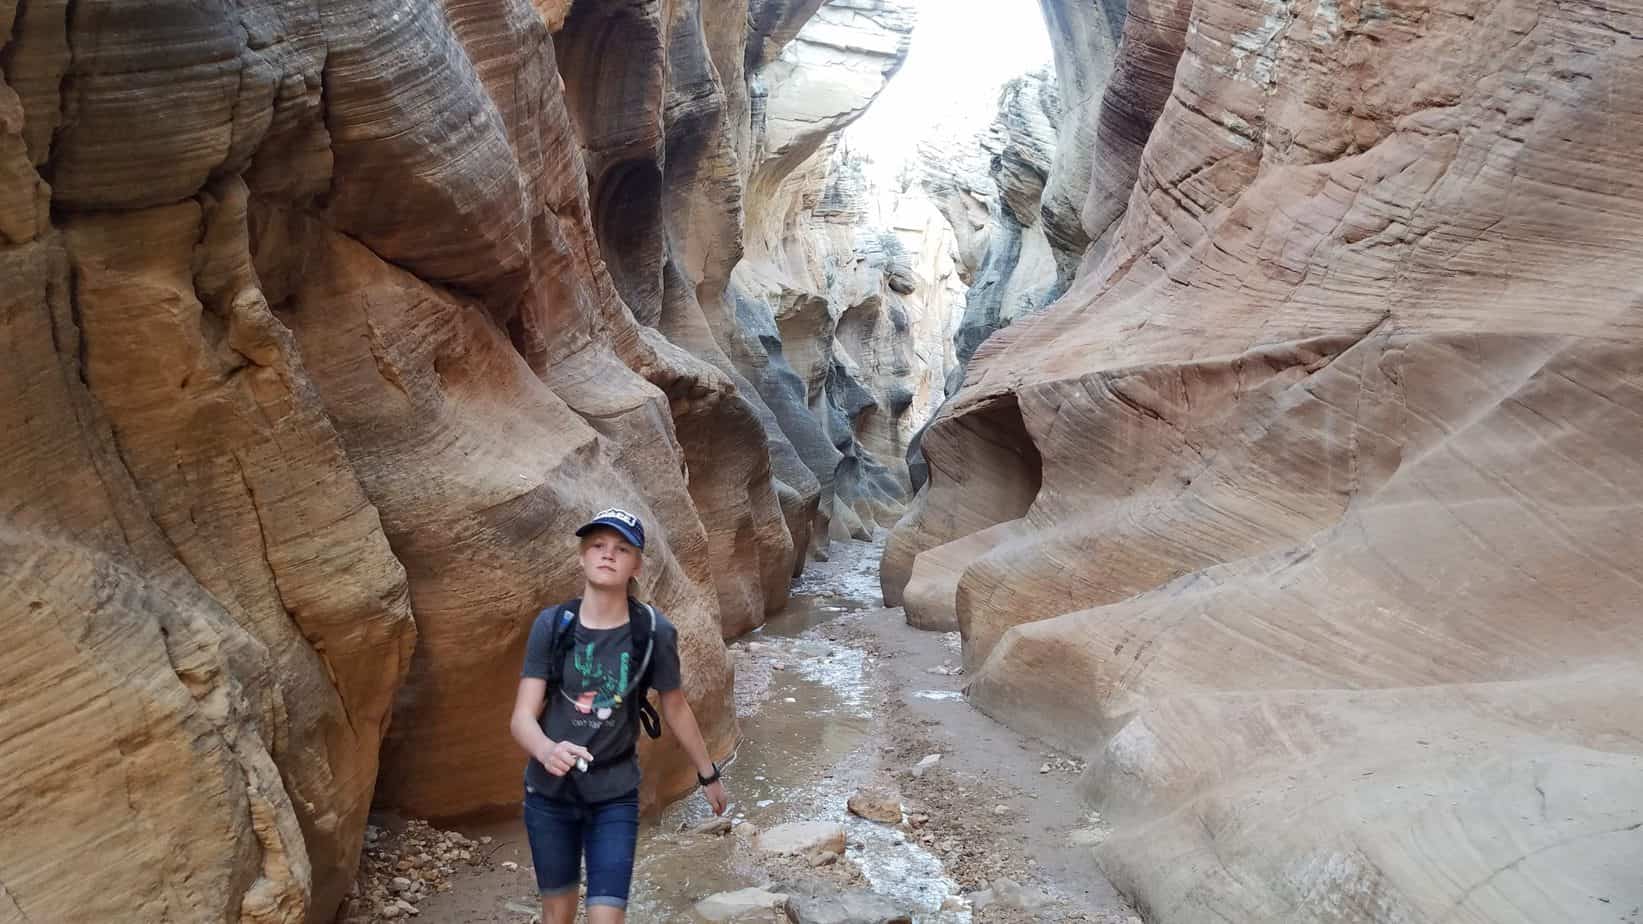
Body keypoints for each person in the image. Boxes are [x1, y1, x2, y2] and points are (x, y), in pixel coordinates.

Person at [509, 507, 728, 924]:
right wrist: (546, 748)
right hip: (549, 795)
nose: (607, 555)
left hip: (614, 795)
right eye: (597, 546)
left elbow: (675, 706)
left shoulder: (652, 632)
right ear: (582, 556)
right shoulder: (554, 625)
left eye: (621, 548)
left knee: (606, 918)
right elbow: (522, 716)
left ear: (636, 565)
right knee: (558, 916)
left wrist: (708, 775)